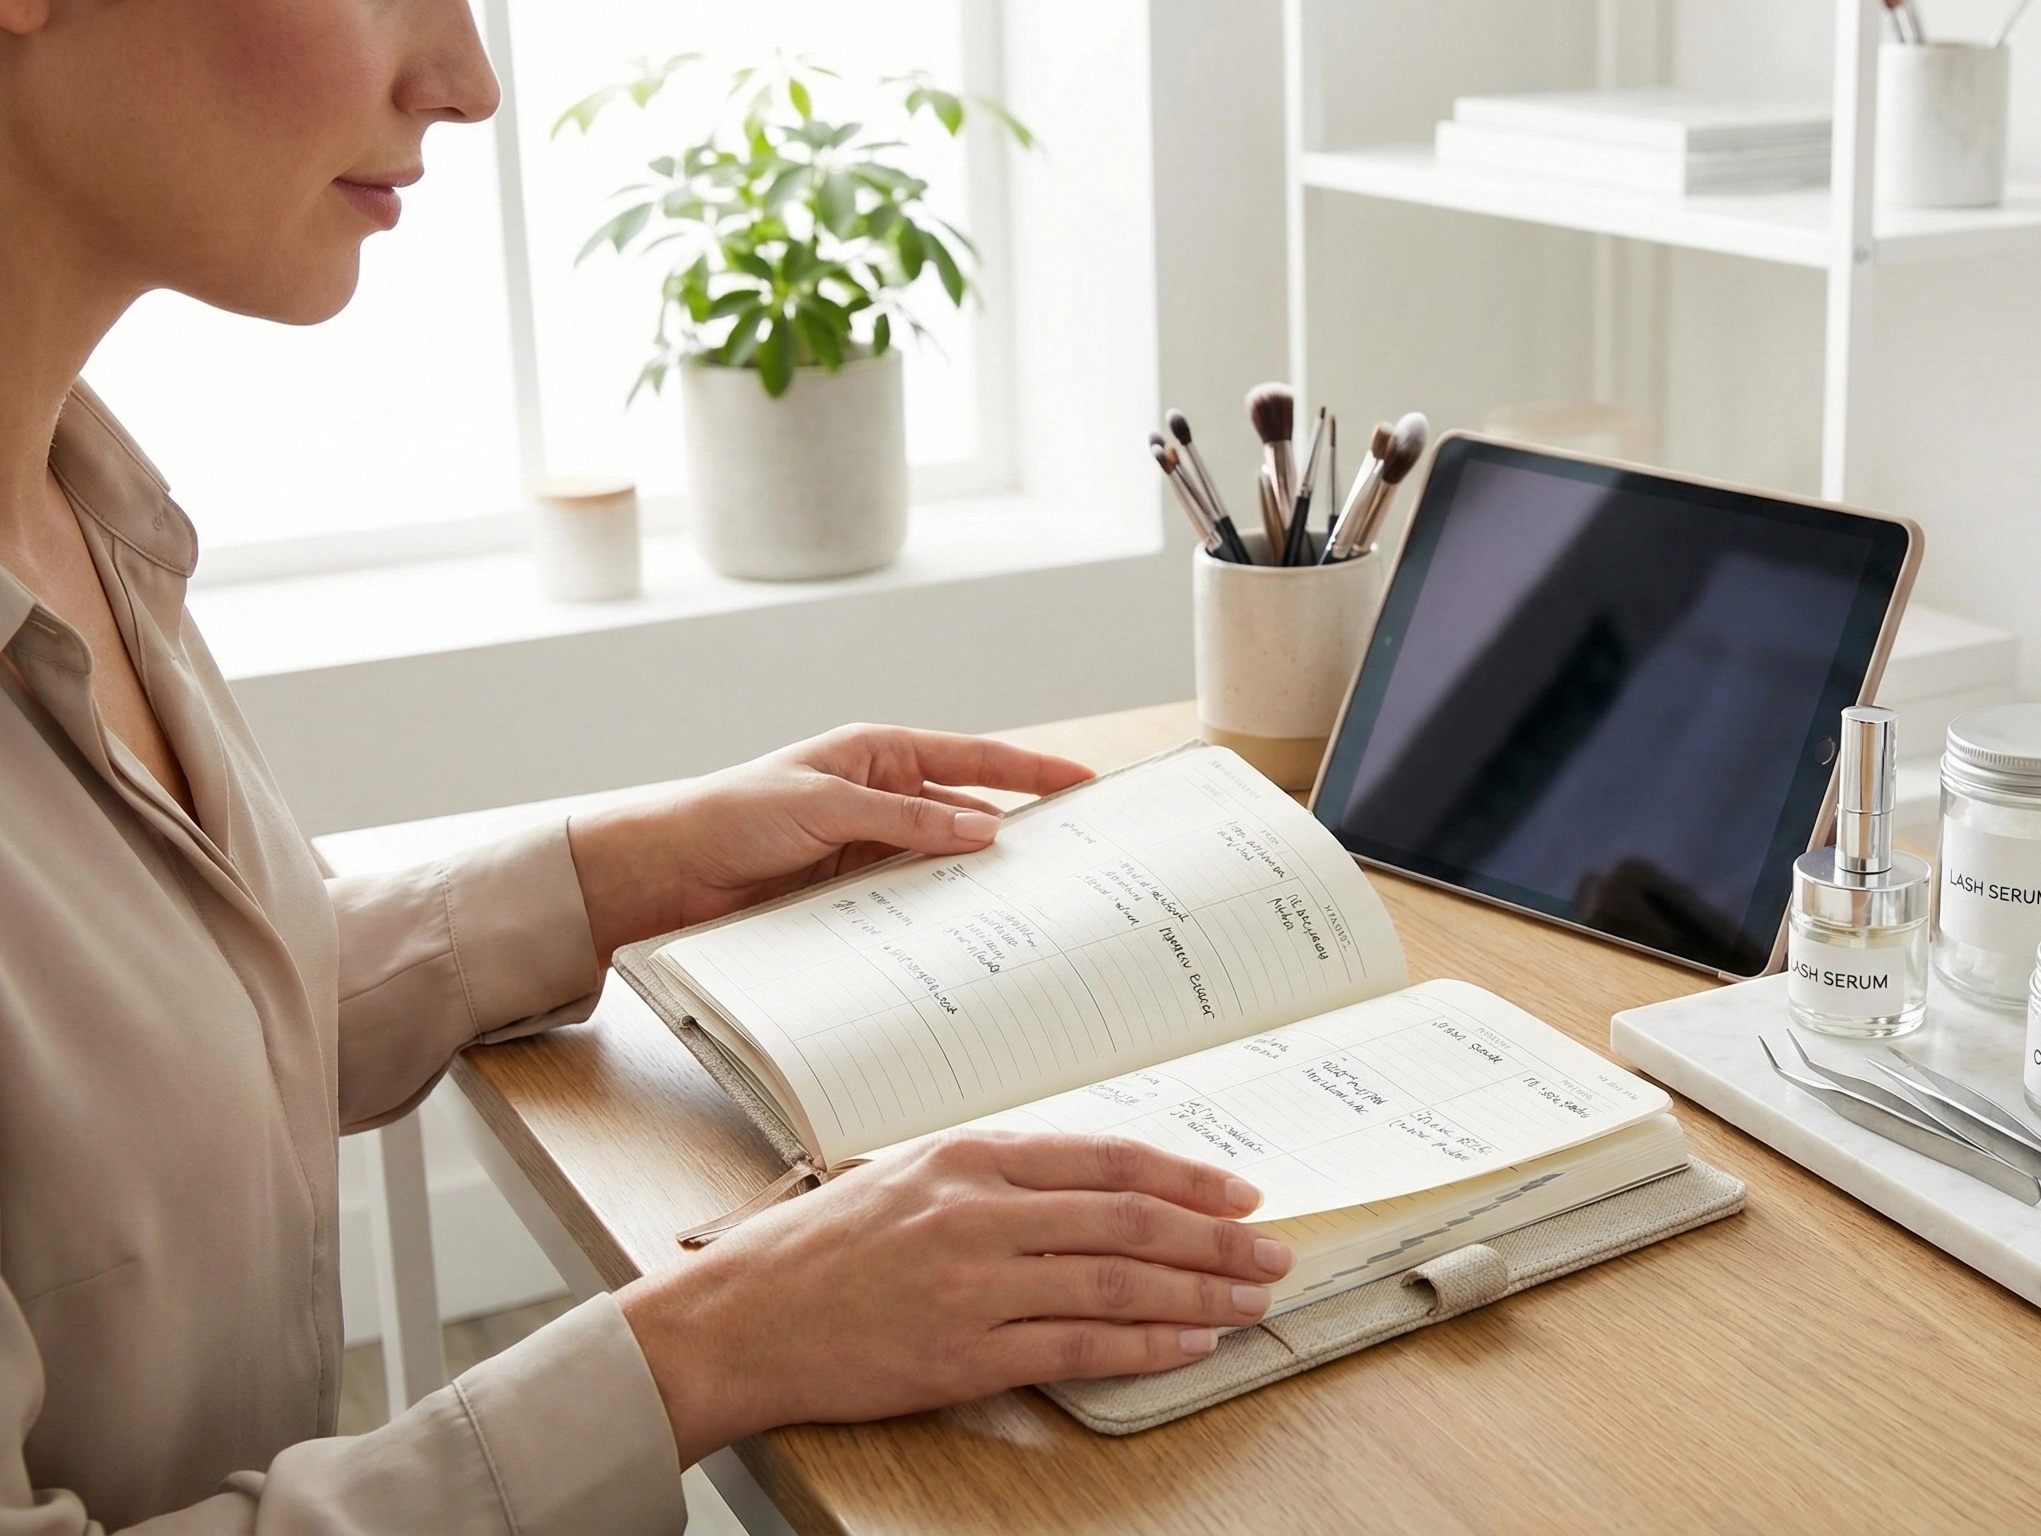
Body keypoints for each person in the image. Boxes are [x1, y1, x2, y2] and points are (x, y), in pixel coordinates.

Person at [0, 1, 1291, 1528]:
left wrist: (617, 875)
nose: (467, 82)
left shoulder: (73, 498)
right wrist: (711, 1345)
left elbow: (147, 1059)